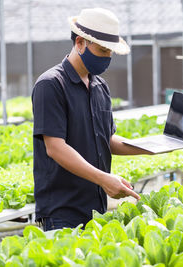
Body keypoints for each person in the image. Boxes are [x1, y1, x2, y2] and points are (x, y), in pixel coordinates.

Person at [32, 7, 150, 231]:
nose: (107, 58)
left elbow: (108, 140)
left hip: (95, 207)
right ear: (80, 43)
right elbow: (55, 147)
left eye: (110, 52)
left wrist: (150, 147)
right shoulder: (51, 85)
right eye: (103, 50)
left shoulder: (99, 86)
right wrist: (104, 179)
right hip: (61, 211)